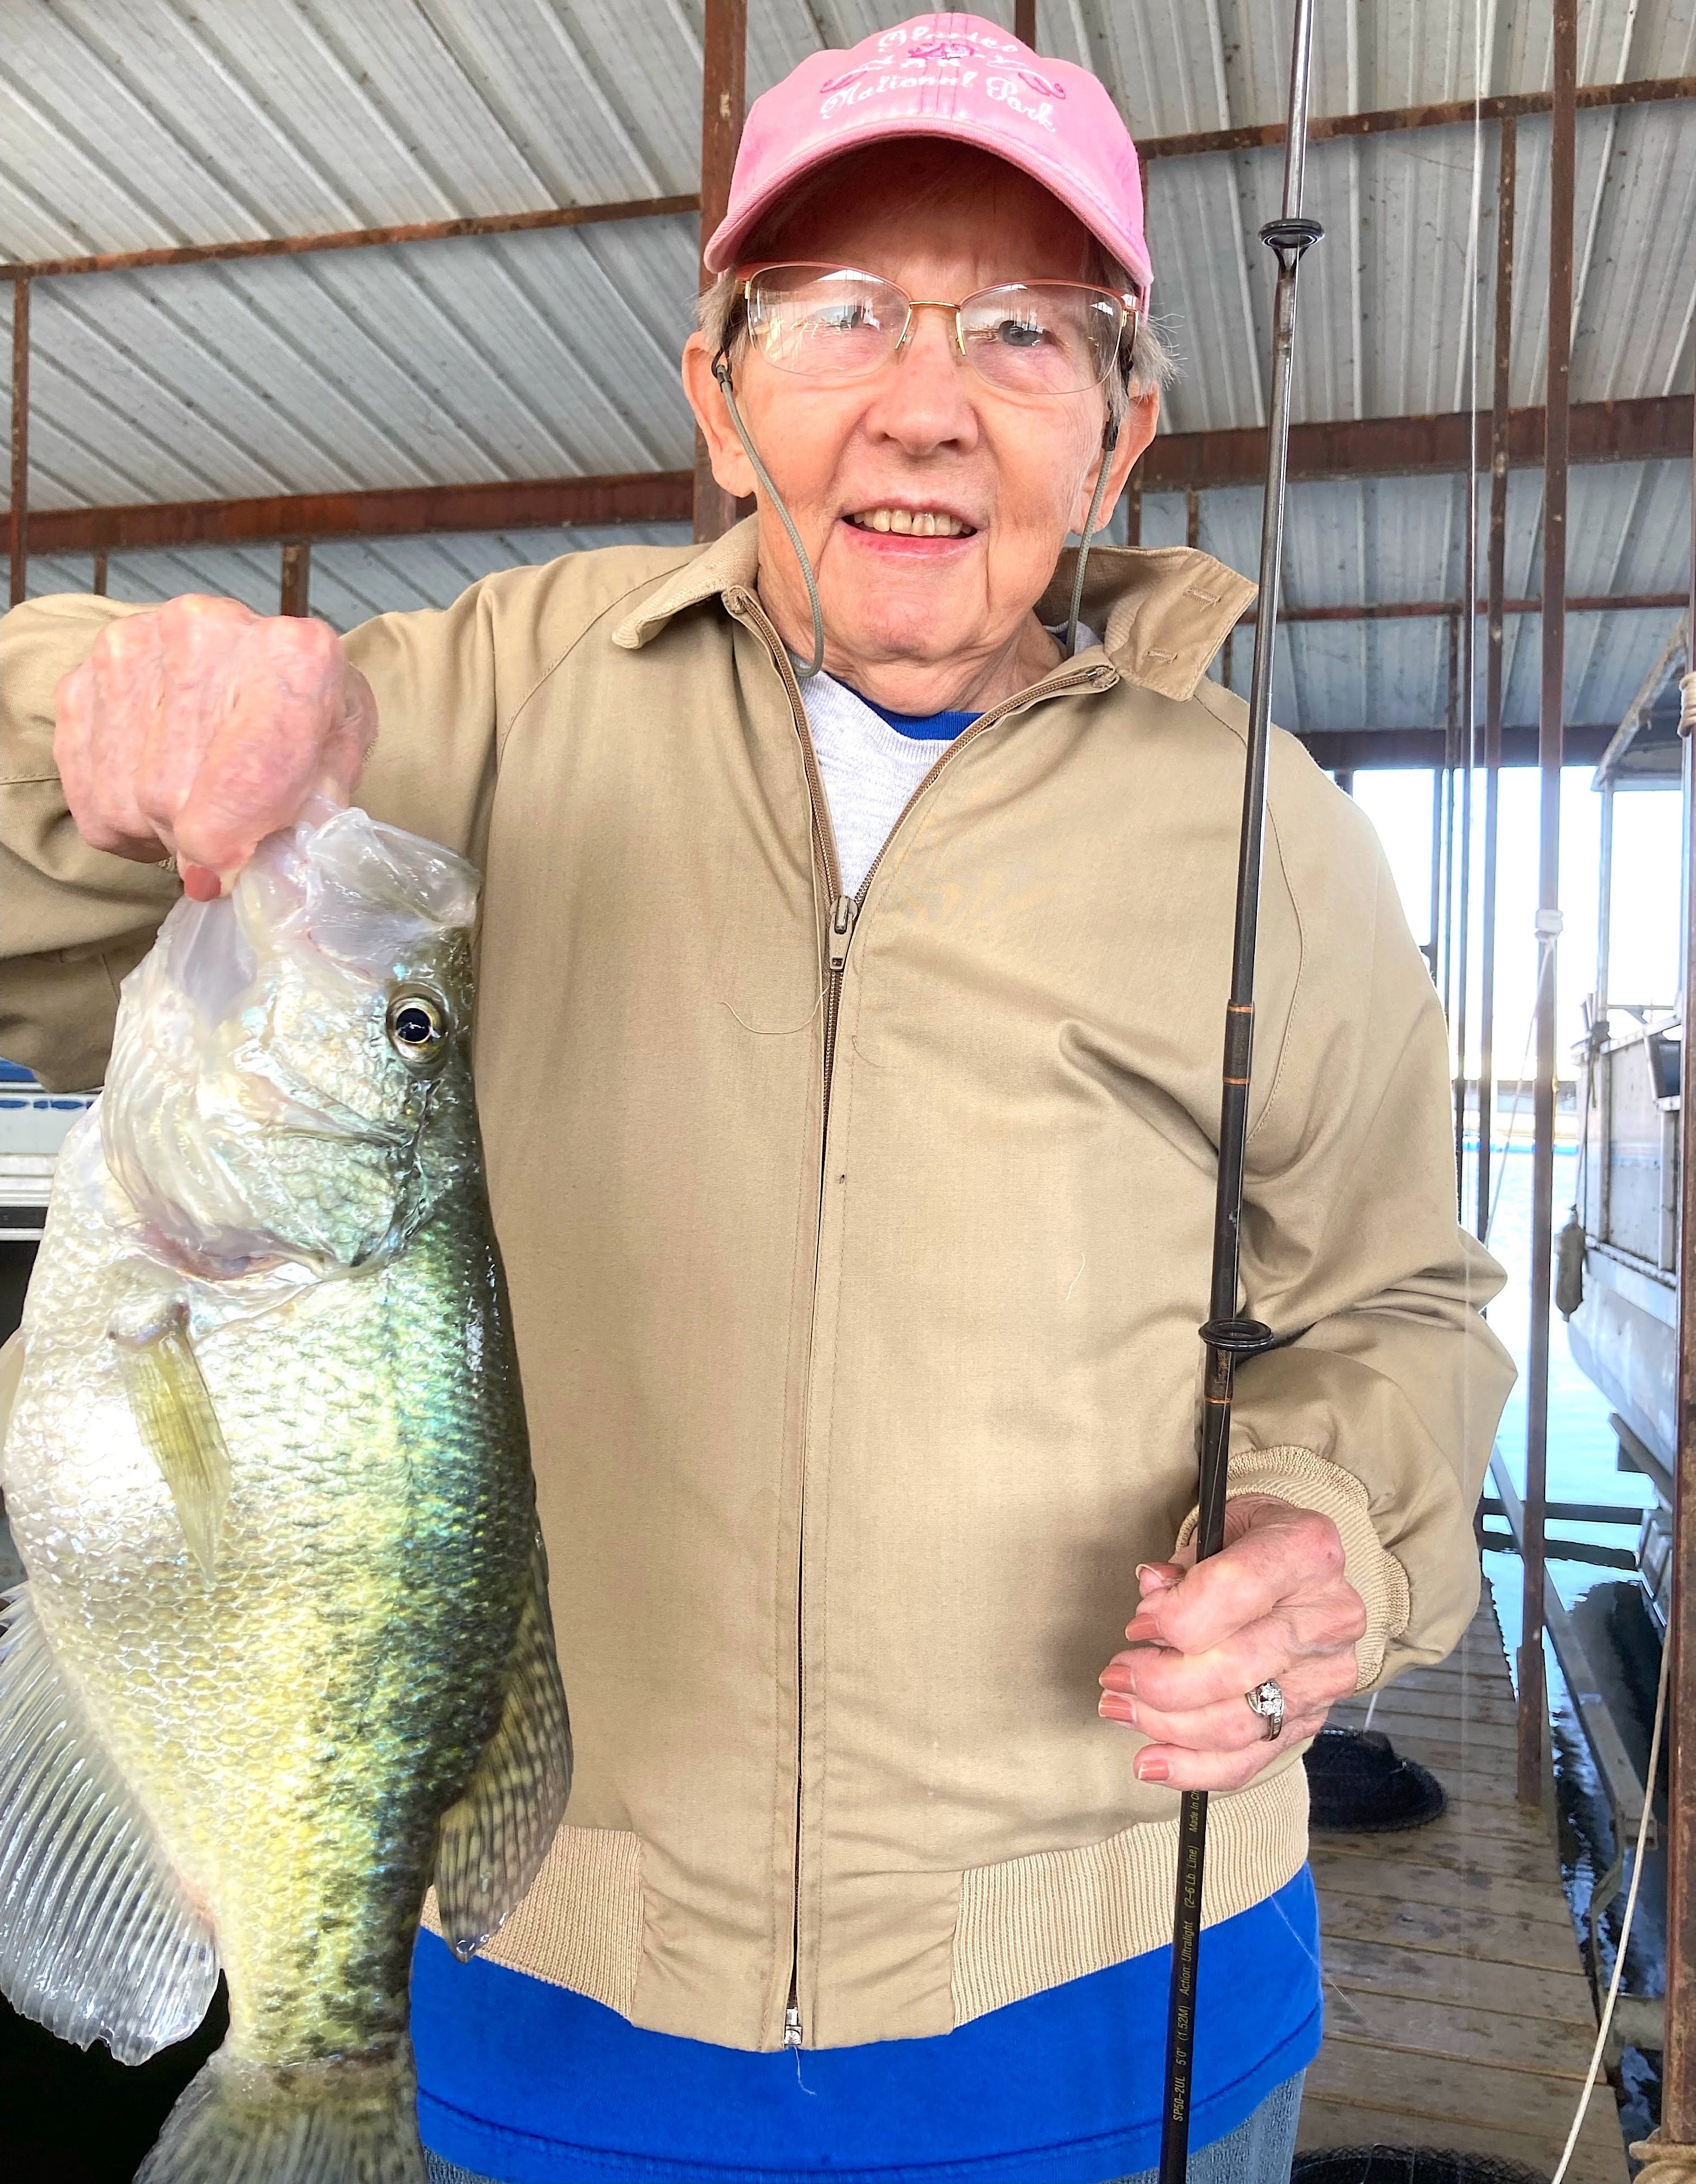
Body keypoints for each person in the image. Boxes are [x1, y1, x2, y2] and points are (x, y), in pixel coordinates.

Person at [0, 13, 1514, 2183]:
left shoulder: (1274, 831)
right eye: (841, 312)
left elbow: (1402, 1314)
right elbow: (35, 904)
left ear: (1124, 432)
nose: (924, 399)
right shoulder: (498, 703)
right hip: (539, 1992)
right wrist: (102, 710)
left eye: (1022, 327)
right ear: (717, 393)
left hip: (1118, 2002)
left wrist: (1334, 1539)